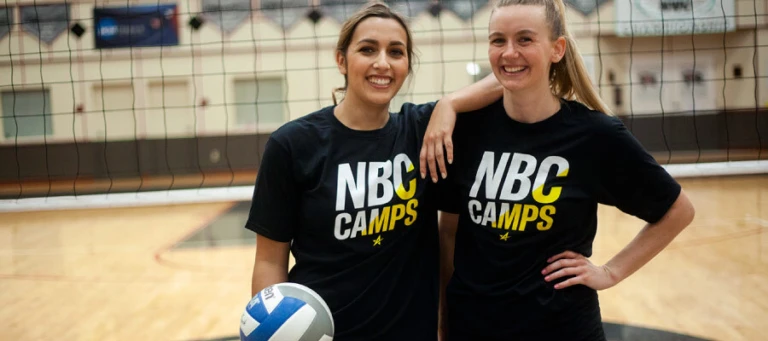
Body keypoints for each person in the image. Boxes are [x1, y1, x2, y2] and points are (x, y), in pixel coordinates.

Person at [435, 0, 696, 340]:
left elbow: (678, 210)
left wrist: (610, 272)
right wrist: (444, 317)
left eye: (525, 39)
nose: (509, 52)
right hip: (475, 325)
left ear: (557, 49)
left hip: (561, 327)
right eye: (498, 40)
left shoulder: (594, 135)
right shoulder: (467, 131)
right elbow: (449, 233)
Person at [244, 2, 502, 341]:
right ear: (341, 60)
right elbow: (269, 261)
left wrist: (449, 103)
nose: (382, 62)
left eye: (396, 52)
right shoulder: (293, 144)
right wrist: (271, 329)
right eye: (368, 49)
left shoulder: (420, 131)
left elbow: (508, 75)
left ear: (407, 65)